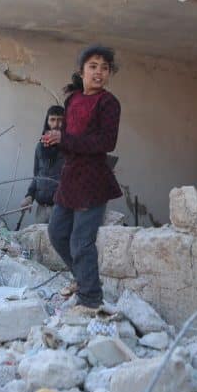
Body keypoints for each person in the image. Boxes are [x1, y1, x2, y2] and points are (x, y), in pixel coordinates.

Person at [44, 45, 122, 315]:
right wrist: (55, 141)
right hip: (70, 178)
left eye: (104, 67)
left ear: (109, 73)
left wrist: (66, 139)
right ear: (81, 71)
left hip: (92, 179)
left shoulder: (108, 103)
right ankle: (83, 278)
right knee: (56, 233)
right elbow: (71, 141)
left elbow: (105, 142)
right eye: (93, 66)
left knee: (81, 241)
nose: (99, 72)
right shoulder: (73, 100)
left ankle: (90, 299)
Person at [20, 105, 65, 225]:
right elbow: (37, 176)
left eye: (60, 120)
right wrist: (29, 196)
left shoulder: (71, 148)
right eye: (52, 119)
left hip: (62, 210)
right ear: (47, 122)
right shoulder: (40, 147)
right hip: (41, 209)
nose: (56, 124)